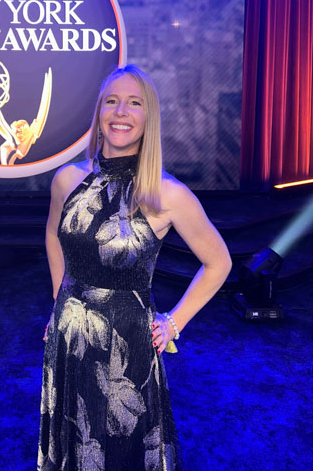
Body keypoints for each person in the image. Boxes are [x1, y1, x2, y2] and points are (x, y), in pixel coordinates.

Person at [37, 64, 232, 470]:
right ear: (99, 113)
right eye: (111, 101)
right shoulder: (66, 179)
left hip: (128, 348)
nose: (120, 111)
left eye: (134, 103)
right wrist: (60, 301)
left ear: (149, 117)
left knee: (123, 449)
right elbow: (55, 236)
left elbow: (218, 262)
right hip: (70, 338)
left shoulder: (168, 194)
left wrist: (175, 322)